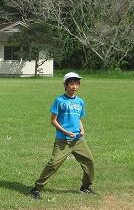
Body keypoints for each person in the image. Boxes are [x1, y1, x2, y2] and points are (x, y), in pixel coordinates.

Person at [30, 72, 95, 200]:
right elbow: (53, 120)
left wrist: (82, 129)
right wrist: (65, 132)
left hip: (78, 140)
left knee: (89, 161)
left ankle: (85, 186)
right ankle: (36, 188)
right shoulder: (59, 100)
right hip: (63, 140)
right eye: (71, 84)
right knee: (53, 164)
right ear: (65, 85)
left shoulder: (80, 101)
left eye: (77, 84)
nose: (74, 87)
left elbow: (78, 118)